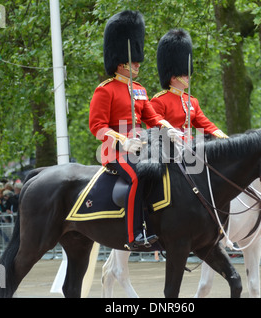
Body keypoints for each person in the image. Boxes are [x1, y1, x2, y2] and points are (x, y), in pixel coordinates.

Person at [89, 10, 180, 250]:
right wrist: (122, 141)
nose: (138, 64)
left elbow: (151, 116)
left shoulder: (139, 89)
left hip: (142, 148)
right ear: (120, 62)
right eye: (133, 61)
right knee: (138, 176)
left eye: (137, 61)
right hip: (115, 152)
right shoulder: (105, 90)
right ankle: (133, 235)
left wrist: (167, 127)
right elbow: (97, 126)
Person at [151, 29, 228, 140]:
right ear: (173, 77)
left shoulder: (192, 101)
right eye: (184, 74)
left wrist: (221, 135)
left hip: (190, 149)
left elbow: (205, 124)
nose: (188, 76)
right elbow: (153, 129)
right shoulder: (159, 101)